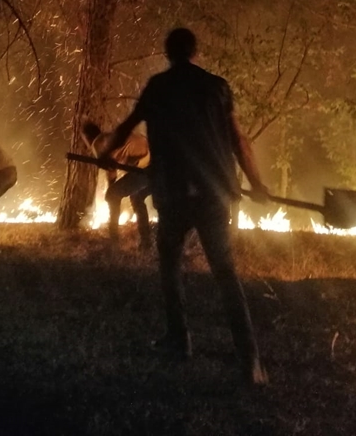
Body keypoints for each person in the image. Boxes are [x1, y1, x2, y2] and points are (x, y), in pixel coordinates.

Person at [103, 27, 270, 387]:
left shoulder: (157, 88)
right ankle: (250, 360)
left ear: (168, 53)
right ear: (195, 51)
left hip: (174, 192)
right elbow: (238, 140)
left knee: (170, 266)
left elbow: (125, 128)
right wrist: (256, 183)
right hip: (213, 194)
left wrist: (105, 153)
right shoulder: (217, 87)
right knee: (225, 274)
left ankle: (180, 340)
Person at [84, 122, 152, 249]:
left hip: (147, 168)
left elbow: (110, 169)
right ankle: (146, 242)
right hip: (155, 164)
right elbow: (112, 167)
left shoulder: (98, 143)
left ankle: (113, 240)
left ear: (87, 138)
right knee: (136, 198)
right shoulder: (109, 137)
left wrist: (111, 190)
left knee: (112, 195)